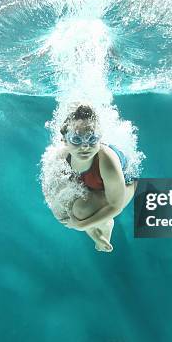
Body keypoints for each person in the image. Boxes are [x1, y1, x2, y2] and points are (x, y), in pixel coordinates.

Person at [56, 104, 136, 252]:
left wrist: (81, 225)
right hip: (94, 184)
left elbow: (115, 206)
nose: (85, 146)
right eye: (76, 139)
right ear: (65, 141)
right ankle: (95, 229)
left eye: (92, 139)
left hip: (125, 186)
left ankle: (105, 225)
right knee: (71, 207)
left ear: (100, 138)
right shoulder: (61, 157)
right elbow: (53, 193)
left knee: (81, 212)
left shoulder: (107, 161)